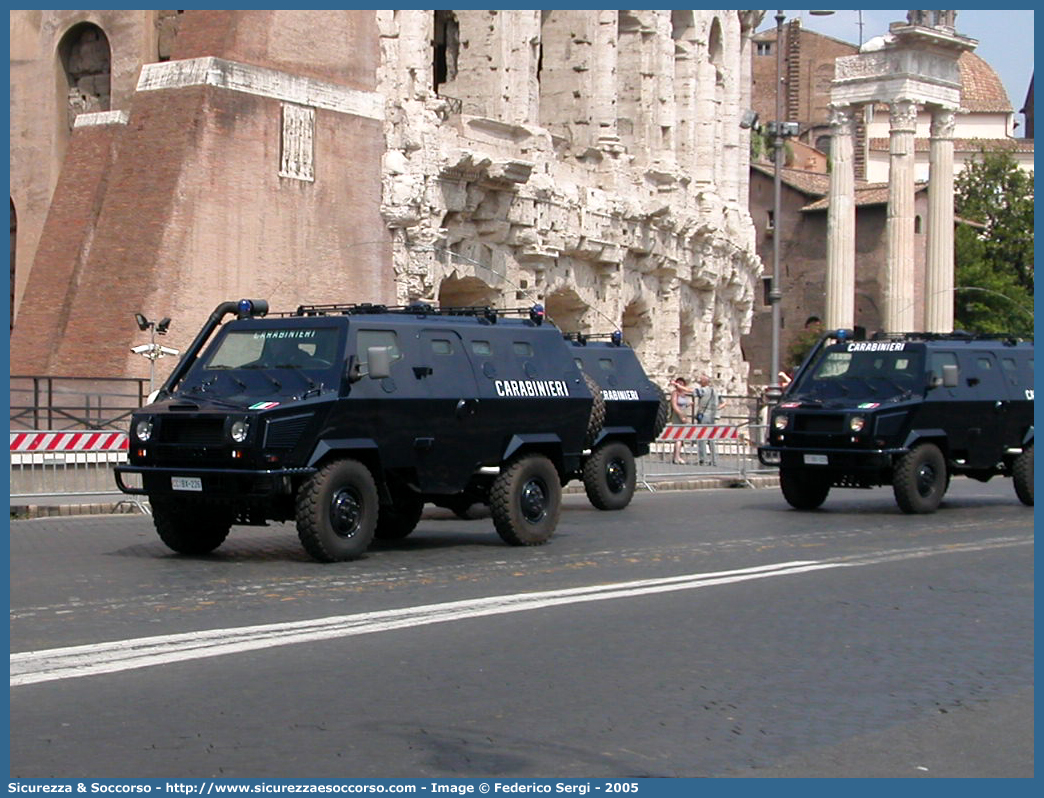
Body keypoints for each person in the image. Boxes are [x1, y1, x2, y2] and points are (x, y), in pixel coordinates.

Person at [695, 373, 725, 466]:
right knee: (712, 438)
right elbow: (724, 403)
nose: (699, 381)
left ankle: (703, 459)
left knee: (702, 438)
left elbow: (692, 392)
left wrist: (679, 386)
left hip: (704, 416)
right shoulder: (715, 391)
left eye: (701, 380)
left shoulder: (703, 390)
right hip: (712, 416)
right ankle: (714, 460)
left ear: (704, 382)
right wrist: (716, 409)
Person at [669, 377, 694, 464]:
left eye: (682, 384)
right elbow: (674, 405)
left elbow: (683, 403)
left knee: (681, 437)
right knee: (678, 437)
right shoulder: (675, 393)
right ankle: (677, 457)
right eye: (678, 383)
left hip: (683, 415)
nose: (680, 385)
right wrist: (680, 415)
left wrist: (688, 404)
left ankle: (677, 456)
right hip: (677, 415)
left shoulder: (683, 394)